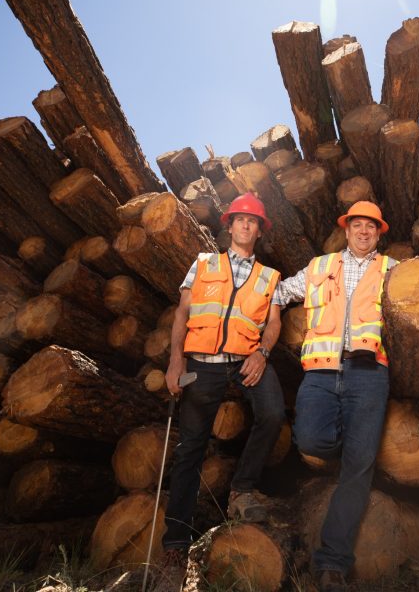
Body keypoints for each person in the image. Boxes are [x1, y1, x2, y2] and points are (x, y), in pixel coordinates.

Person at [160, 193, 286, 569]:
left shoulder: (269, 276)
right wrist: (175, 361)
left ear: (259, 231)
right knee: (191, 449)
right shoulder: (202, 264)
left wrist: (261, 353)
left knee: (273, 413)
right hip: (203, 362)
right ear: (229, 226)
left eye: (253, 222)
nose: (246, 226)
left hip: (247, 359)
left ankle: (241, 489)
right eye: (240, 220)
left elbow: (274, 322)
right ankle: (175, 542)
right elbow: (182, 314)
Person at [276, 201, 397, 592]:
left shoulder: (393, 270)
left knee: (358, 469)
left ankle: (332, 564)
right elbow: (278, 294)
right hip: (322, 371)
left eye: (371, 227)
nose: (364, 232)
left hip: (369, 373)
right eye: (357, 225)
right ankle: (351, 456)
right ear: (346, 231)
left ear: (379, 233)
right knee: (309, 439)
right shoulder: (318, 267)